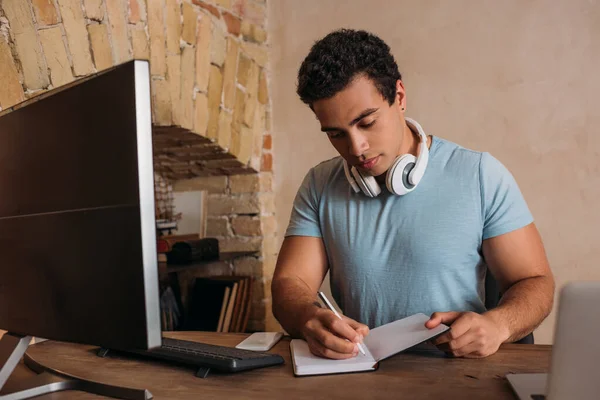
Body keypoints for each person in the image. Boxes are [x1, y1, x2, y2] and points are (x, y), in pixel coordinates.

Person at [271, 29, 555, 360]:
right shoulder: (319, 184)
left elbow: (535, 281)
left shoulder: (480, 174)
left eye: (367, 122)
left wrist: (499, 325)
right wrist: (307, 319)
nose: (356, 148)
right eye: (336, 134)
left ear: (400, 96)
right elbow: (290, 283)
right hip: (357, 378)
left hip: (456, 378)